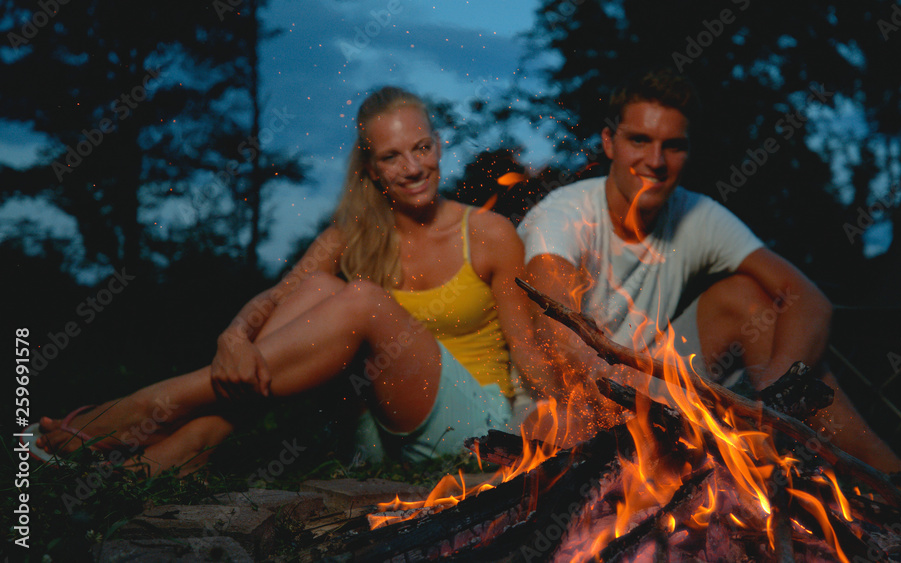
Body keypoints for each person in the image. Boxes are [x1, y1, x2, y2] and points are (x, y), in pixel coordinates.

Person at [29, 86, 547, 474]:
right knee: (319, 290)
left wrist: (550, 421)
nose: (413, 168)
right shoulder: (354, 235)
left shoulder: (487, 233)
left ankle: (130, 416)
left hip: (476, 429)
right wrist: (232, 338)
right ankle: (134, 471)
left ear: (438, 146)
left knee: (362, 299)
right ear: (371, 169)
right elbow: (277, 297)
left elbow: (527, 355)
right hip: (380, 430)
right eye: (392, 156)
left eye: (422, 148)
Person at [516, 68, 901, 493]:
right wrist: (638, 414)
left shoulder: (695, 213)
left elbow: (810, 301)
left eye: (673, 146)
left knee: (750, 301)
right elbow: (563, 343)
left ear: (688, 151)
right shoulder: (563, 214)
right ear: (609, 142)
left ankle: (891, 475)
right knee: (576, 416)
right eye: (639, 140)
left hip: (650, 382)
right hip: (567, 403)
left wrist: (769, 401)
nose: (655, 161)